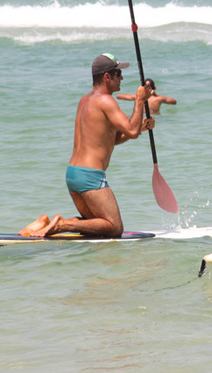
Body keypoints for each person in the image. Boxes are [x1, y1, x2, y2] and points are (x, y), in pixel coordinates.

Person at [19, 53, 154, 238]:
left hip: (73, 174)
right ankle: (63, 224)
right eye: (118, 73)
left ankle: (46, 223)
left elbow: (111, 139)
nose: (121, 78)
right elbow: (130, 130)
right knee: (114, 228)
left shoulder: (85, 100)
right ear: (107, 76)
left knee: (97, 226)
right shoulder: (106, 101)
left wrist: (141, 128)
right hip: (90, 176)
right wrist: (139, 100)